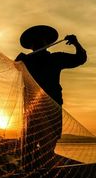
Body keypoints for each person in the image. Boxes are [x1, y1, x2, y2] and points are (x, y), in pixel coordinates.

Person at [15, 25, 87, 165]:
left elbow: (80, 58)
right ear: (31, 46)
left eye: (42, 41)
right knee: (30, 140)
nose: (39, 44)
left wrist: (76, 43)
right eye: (35, 42)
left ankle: (42, 168)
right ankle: (30, 169)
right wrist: (18, 62)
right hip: (32, 109)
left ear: (47, 43)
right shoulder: (26, 61)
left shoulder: (55, 58)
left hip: (52, 106)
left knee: (49, 139)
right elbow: (16, 66)